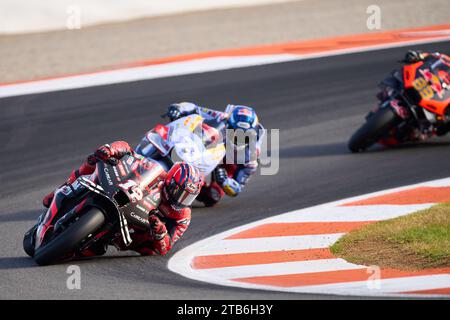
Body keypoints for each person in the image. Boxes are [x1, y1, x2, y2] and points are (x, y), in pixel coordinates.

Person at [42, 141, 203, 256]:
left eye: (189, 197)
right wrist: (111, 150)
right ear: (171, 181)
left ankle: (99, 238)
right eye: (181, 193)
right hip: (122, 193)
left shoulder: (183, 216)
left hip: (137, 229)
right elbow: (130, 152)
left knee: (148, 251)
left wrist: (160, 232)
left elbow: (165, 248)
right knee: (94, 159)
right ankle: (63, 187)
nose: (182, 200)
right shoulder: (156, 172)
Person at [154, 102, 265, 207]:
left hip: (222, 166)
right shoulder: (221, 117)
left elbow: (237, 188)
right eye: (234, 132)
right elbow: (194, 108)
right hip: (204, 146)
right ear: (228, 124)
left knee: (213, 195)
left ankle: (177, 194)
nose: (238, 138)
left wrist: (225, 181)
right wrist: (179, 108)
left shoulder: (251, 157)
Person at [376, 50, 450, 144]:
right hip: (426, 86)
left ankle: (412, 132)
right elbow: (435, 57)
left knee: (431, 130)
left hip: (437, 106)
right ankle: (389, 96)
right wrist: (419, 55)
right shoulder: (446, 61)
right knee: (399, 77)